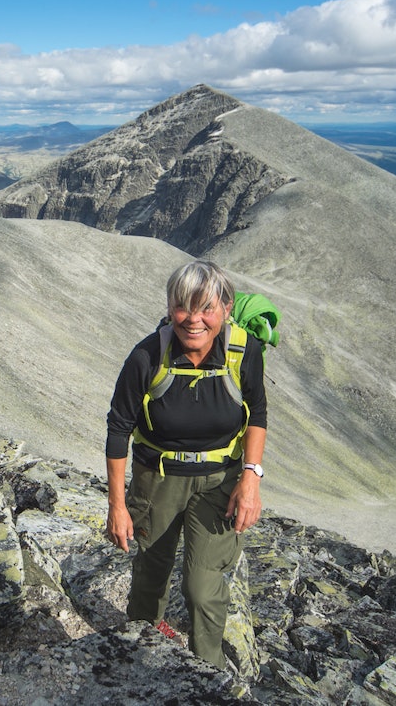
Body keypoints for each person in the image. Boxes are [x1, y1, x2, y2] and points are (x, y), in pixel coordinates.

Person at [104, 259, 268, 670]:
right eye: (182, 307)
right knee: (150, 573)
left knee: (201, 587)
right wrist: (117, 505)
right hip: (157, 479)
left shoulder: (243, 351)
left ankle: (207, 673)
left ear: (226, 309)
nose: (193, 320)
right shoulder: (146, 356)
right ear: (170, 307)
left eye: (206, 309)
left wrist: (251, 477)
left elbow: (258, 412)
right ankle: (140, 654)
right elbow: (118, 429)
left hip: (219, 481)